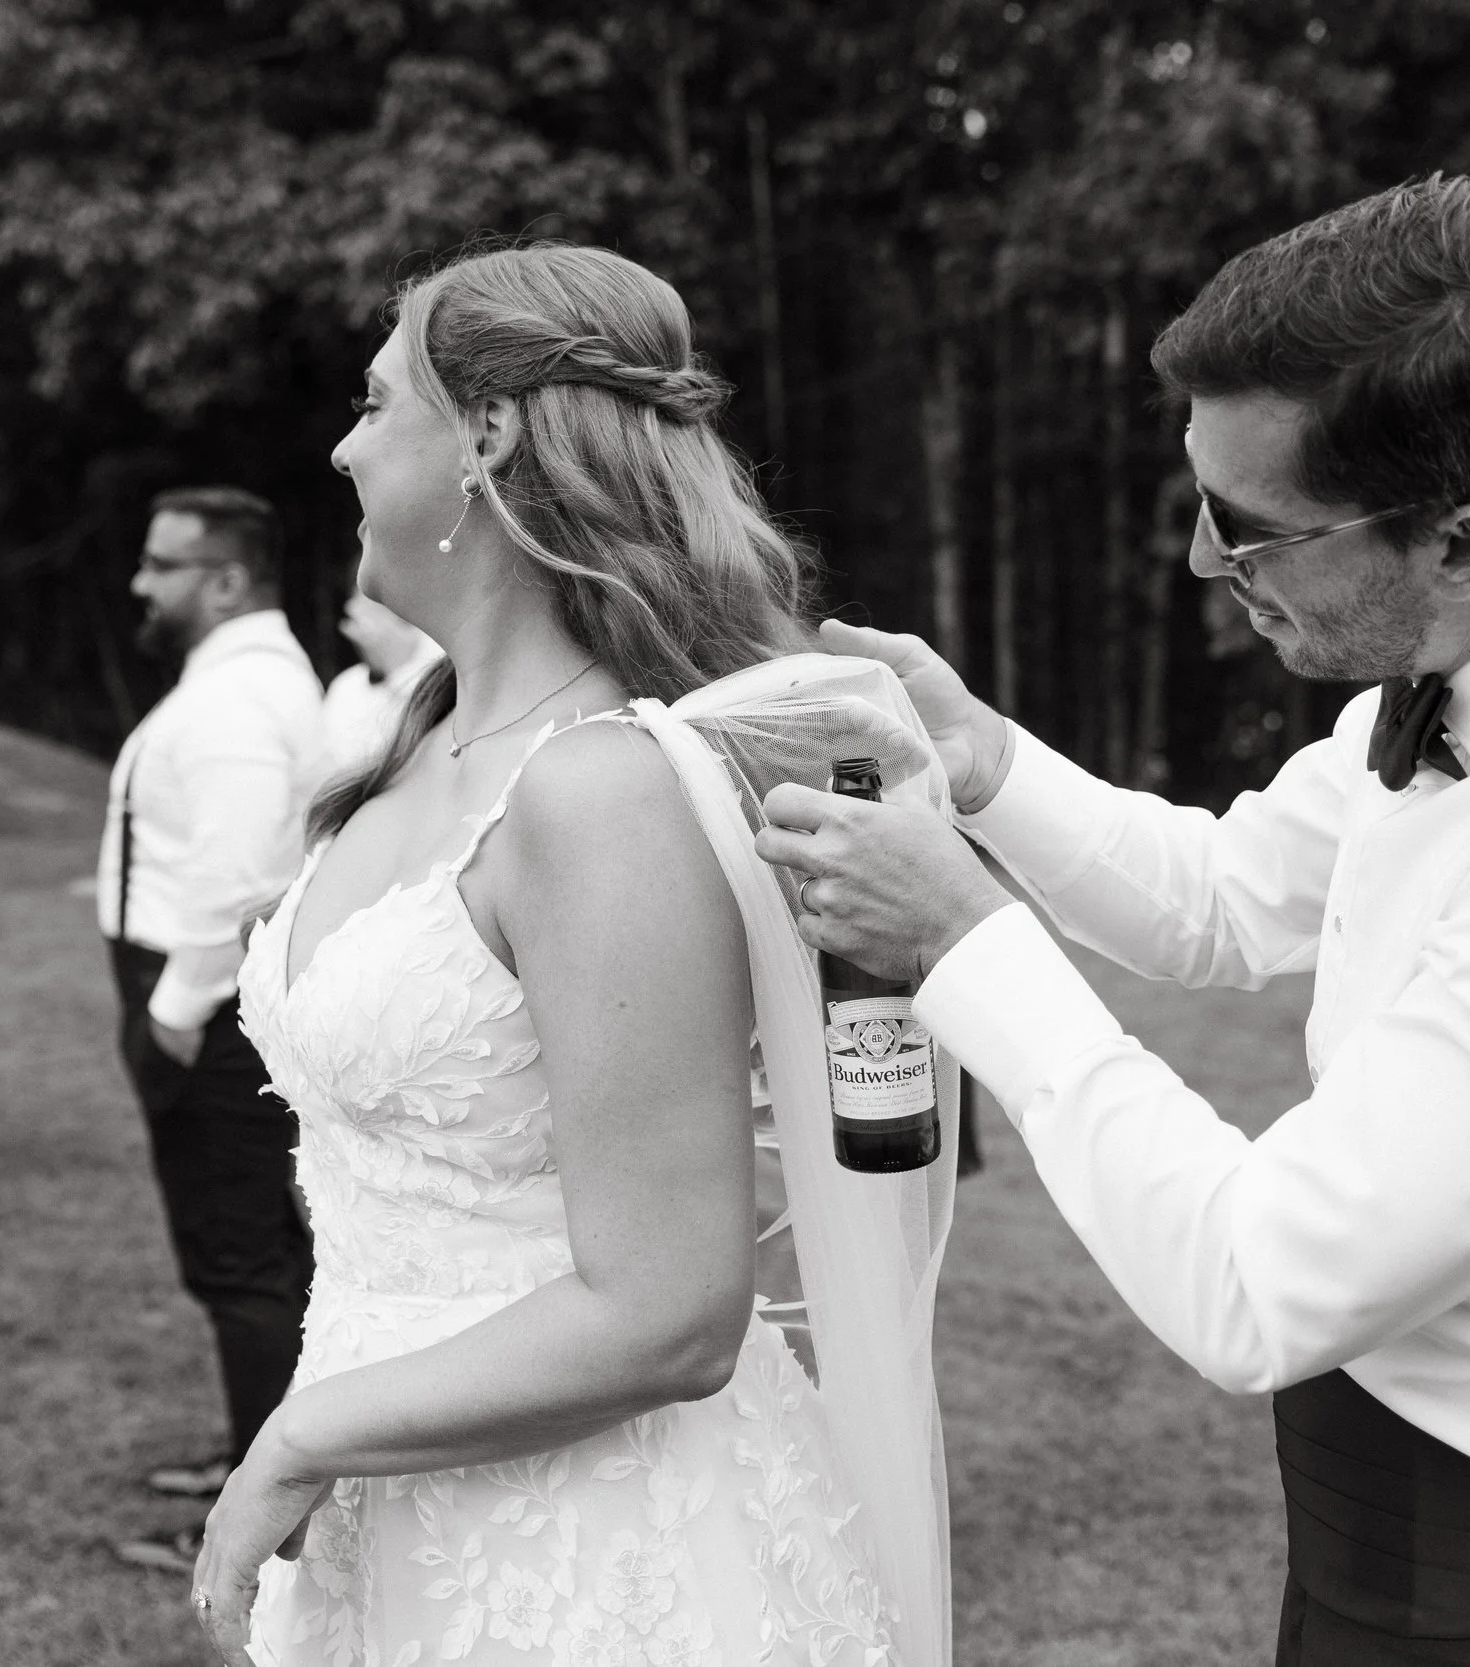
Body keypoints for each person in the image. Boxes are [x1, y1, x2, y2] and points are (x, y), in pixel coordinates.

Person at [757, 177, 1470, 1665]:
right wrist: (983, 761)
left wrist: (966, 944)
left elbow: (1257, 1281)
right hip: (1383, 1577)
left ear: (1464, 542)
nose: (1201, 566)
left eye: (1248, 528)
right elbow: (1224, 899)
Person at [186, 245, 954, 1667]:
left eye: (373, 402)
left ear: (483, 435)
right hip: (404, 1496)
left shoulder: (600, 790)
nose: (344, 447)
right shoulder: (418, 737)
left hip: (605, 1547)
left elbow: (669, 1309)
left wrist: (302, 1433)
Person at [100, 485, 327, 1570]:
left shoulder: (236, 701)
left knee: (240, 1256)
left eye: (161, 564)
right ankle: (261, 1455)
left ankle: (262, 1508)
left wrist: (172, 1009)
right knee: (258, 1250)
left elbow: (239, 876)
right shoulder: (239, 683)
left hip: (205, 1003)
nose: (141, 583)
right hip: (205, 996)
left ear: (226, 578)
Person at [318, 589, 444, 770]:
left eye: (365, 599)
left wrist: (394, 665)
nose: (352, 609)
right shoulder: (346, 687)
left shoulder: (446, 669)